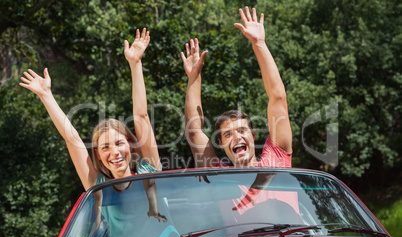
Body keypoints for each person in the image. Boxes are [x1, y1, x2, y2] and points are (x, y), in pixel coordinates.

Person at [19, 28, 166, 223]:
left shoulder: (150, 170)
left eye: (119, 143)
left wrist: (135, 63)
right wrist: (46, 95)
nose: (114, 152)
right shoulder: (98, 187)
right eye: (105, 147)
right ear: (97, 154)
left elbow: (141, 115)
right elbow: (73, 140)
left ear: (131, 143)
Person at [182, 6, 292, 169]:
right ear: (220, 143)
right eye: (228, 134)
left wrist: (259, 43)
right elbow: (193, 131)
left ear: (253, 135)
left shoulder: (276, 161)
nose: (236, 137)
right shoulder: (217, 175)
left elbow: (278, 98)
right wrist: (193, 79)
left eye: (242, 130)